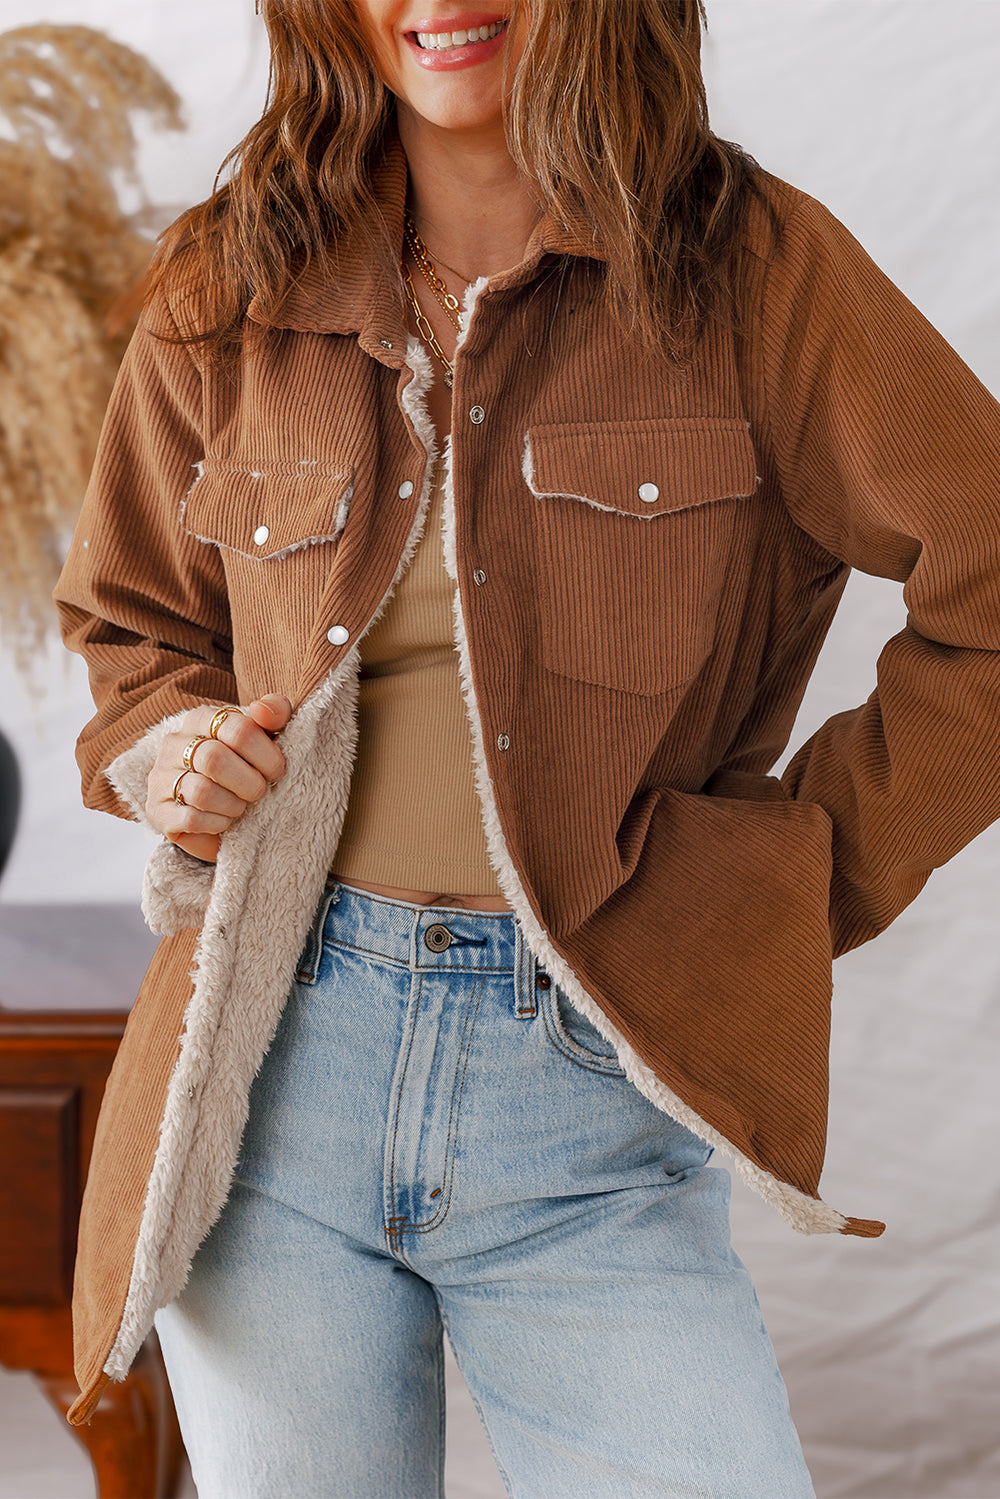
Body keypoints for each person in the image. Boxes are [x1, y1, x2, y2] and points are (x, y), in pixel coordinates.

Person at [53, 2, 1000, 1495]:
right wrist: (175, 751)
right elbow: (131, 626)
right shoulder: (233, 276)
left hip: (582, 1098)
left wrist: (785, 879)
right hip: (269, 1080)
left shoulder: (754, 269)